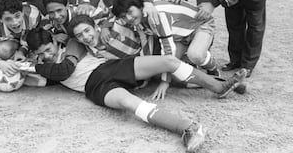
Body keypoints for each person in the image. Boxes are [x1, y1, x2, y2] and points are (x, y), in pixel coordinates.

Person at [24, 14, 247, 153]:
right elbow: (42, 79)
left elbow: (64, 69)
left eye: (49, 50)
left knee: (168, 62)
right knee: (130, 104)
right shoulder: (45, 65)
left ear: (55, 42)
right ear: (35, 54)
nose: (48, 55)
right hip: (94, 88)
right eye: (41, 54)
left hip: (107, 68)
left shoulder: (72, 44)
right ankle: (189, 128)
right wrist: (22, 67)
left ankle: (218, 85)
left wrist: (34, 66)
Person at [110, 0, 221, 99]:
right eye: (124, 16)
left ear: (139, 6)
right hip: (180, 37)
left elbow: (168, 48)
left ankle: (212, 66)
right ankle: (193, 58)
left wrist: (165, 82)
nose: (129, 18)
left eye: (130, 12)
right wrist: (145, 74)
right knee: (169, 67)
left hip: (200, 25)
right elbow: (146, 46)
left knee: (195, 55)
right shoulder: (139, 20)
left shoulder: (157, 14)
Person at [0, 0, 41, 79]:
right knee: (3, 50)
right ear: (0, 19)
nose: (15, 22)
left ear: (22, 12)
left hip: (26, 40)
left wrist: (22, 51)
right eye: (8, 19)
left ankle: (23, 60)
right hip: (10, 42)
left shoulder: (33, 15)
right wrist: (0, 64)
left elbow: (41, 38)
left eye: (17, 16)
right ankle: (11, 62)